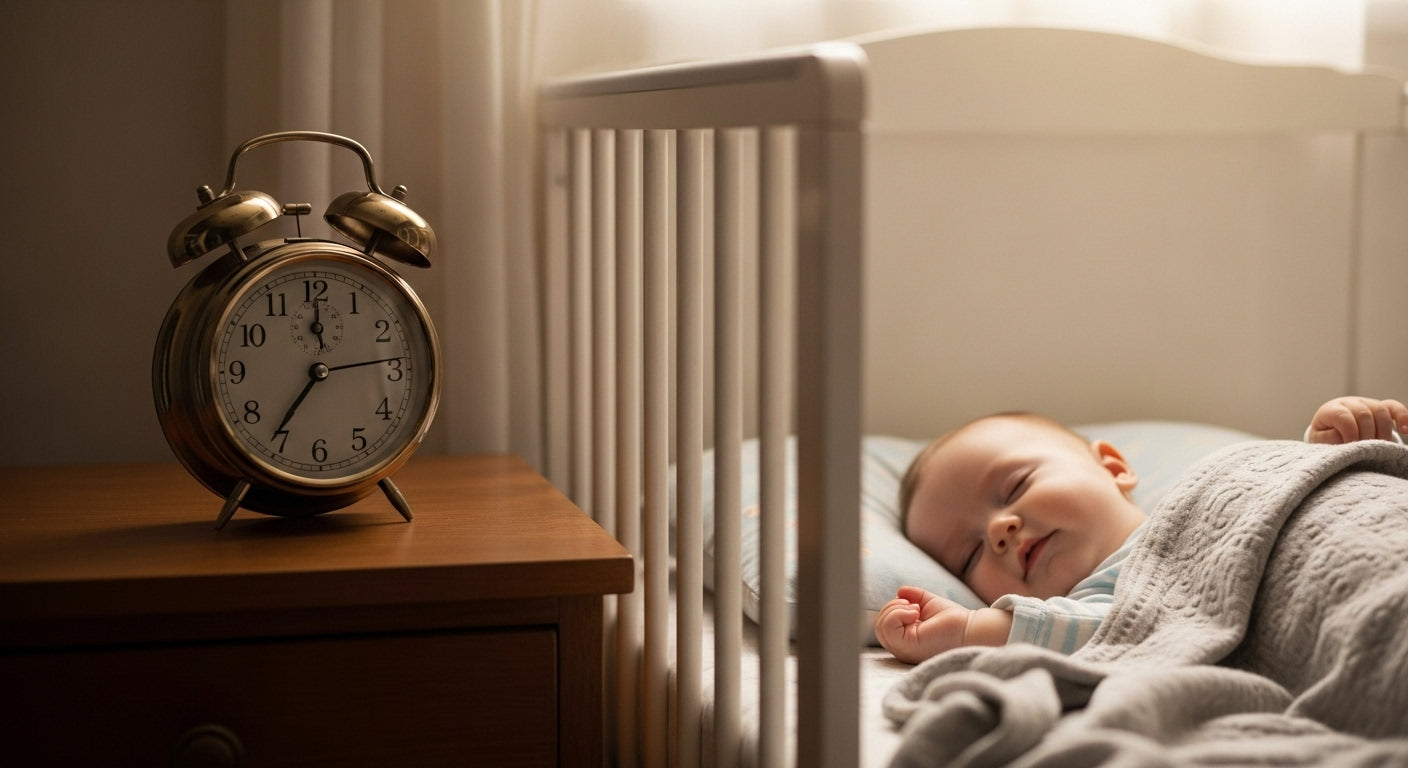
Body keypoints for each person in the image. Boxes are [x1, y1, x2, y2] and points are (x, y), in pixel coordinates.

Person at [875, 396, 1408, 664]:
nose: (999, 530)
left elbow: (1281, 511)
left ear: (1111, 466)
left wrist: (1325, 453)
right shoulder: (1102, 602)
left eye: (1015, 486)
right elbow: (1115, 634)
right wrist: (971, 632)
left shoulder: (1209, 492)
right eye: (968, 556)